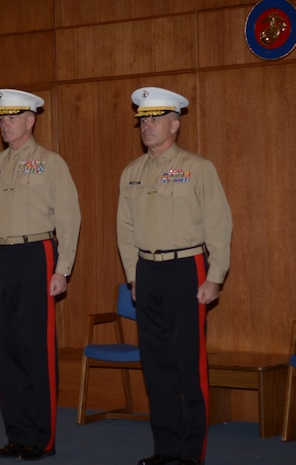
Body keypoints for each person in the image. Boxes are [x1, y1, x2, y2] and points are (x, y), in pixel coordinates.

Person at [116, 87, 232, 465]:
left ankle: (189, 453)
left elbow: (219, 225)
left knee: (188, 365)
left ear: (175, 124)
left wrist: (215, 277)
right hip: (147, 271)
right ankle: (165, 449)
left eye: (154, 119)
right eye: (143, 120)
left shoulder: (199, 168)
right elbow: (125, 229)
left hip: (187, 269)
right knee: (156, 366)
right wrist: (134, 276)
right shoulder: (132, 172)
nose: (146, 126)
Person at [0, 89, 81, 461]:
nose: (5, 124)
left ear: (30, 119)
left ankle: (42, 438)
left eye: (11, 117)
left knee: (35, 349)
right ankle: (17, 435)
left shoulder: (50, 163)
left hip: (37, 253)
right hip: (4, 258)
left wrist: (62, 267)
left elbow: (69, 218)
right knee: (8, 351)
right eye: (1, 118)